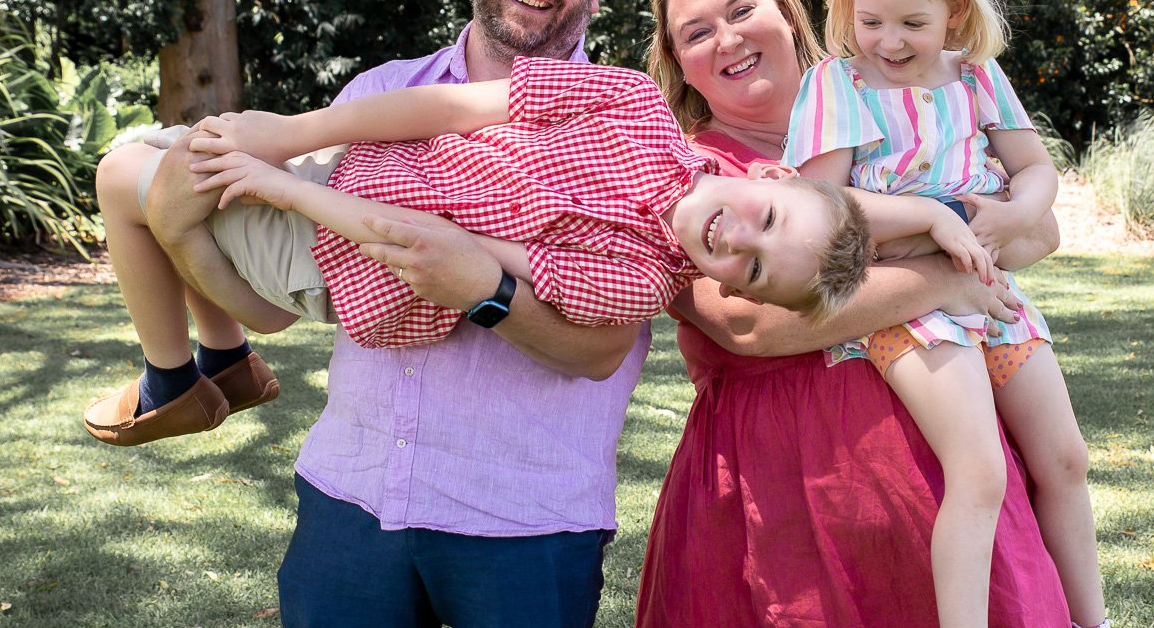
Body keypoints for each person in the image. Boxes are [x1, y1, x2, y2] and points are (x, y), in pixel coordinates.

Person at [114, 0, 642, 628]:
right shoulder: (374, 94)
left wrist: (486, 291)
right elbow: (280, 309)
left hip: (525, 517)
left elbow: (599, 348)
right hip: (352, 498)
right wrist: (179, 237)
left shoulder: (615, 116)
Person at [629, 0, 1109, 628]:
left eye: (742, 10)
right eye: (696, 32)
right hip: (778, 490)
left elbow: (1035, 234)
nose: (728, 38)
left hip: (938, 465)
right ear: (679, 66)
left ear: (788, 12)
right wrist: (944, 278)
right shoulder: (690, 174)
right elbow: (747, 323)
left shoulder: (888, 104)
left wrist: (958, 235)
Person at [781, 0, 1154, 628]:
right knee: (980, 471)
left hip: (991, 290)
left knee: (1064, 457)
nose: (888, 40)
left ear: (953, 10)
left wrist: (1010, 214)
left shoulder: (978, 77)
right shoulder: (836, 84)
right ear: (848, 11)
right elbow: (825, 200)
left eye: (911, 22)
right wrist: (936, 214)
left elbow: (1035, 173)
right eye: (869, 19)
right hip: (904, 300)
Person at [81, 56, 877, 446]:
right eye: (767, 216)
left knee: (123, 178)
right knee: (161, 168)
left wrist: (274, 184)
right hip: (336, 170)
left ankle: (173, 381)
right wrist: (292, 135)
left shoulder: (631, 281)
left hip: (335, 246)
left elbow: (432, 245)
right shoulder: (634, 100)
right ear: (769, 173)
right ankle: (221, 363)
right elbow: (456, 105)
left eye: (756, 271)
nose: (738, 240)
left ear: (738, 291)